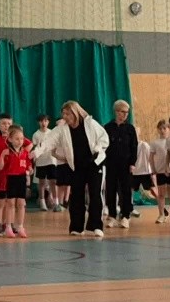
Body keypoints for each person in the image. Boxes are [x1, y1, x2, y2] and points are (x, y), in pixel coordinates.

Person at [59, 102, 107, 237]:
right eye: (63, 114)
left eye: (67, 113)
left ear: (75, 113)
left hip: (94, 164)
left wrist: (97, 149)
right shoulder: (63, 129)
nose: (65, 116)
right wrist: (38, 152)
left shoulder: (90, 123)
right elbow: (50, 141)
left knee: (95, 194)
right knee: (76, 195)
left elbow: (104, 139)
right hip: (77, 166)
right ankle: (77, 227)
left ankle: (96, 226)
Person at [104, 100, 138, 228]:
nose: (125, 114)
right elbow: (104, 146)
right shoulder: (107, 127)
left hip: (126, 164)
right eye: (123, 112)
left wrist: (132, 163)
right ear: (116, 112)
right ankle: (112, 215)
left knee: (125, 190)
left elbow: (134, 146)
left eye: (127, 112)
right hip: (111, 164)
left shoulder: (130, 129)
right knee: (111, 189)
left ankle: (125, 216)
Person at [0, 125, 34, 238]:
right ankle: (8, 226)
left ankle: (20, 226)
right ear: (10, 139)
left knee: (21, 203)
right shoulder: (7, 152)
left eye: (22, 139)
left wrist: (30, 169)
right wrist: (2, 156)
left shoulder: (25, 152)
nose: (20, 141)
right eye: (17, 139)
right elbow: (1, 167)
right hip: (11, 178)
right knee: (10, 203)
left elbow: (28, 164)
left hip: (22, 178)